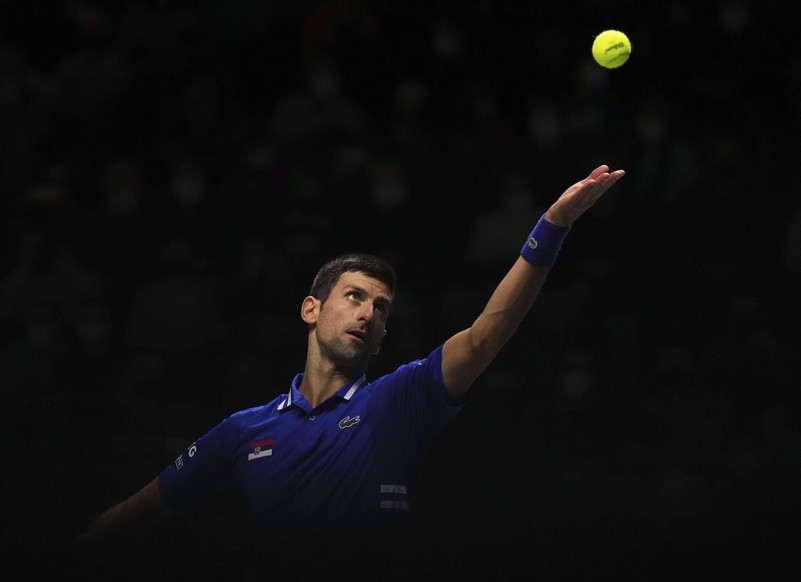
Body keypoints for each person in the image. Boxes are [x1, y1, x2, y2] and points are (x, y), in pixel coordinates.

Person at [75, 165, 625, 549]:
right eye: (355, 297)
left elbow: (486, 335)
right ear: (311, 309)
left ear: (384, 337)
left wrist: (550, 228)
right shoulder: (243, 431)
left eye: (381, 309)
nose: (369, 314)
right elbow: (137, 512)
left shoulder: (402, 398)